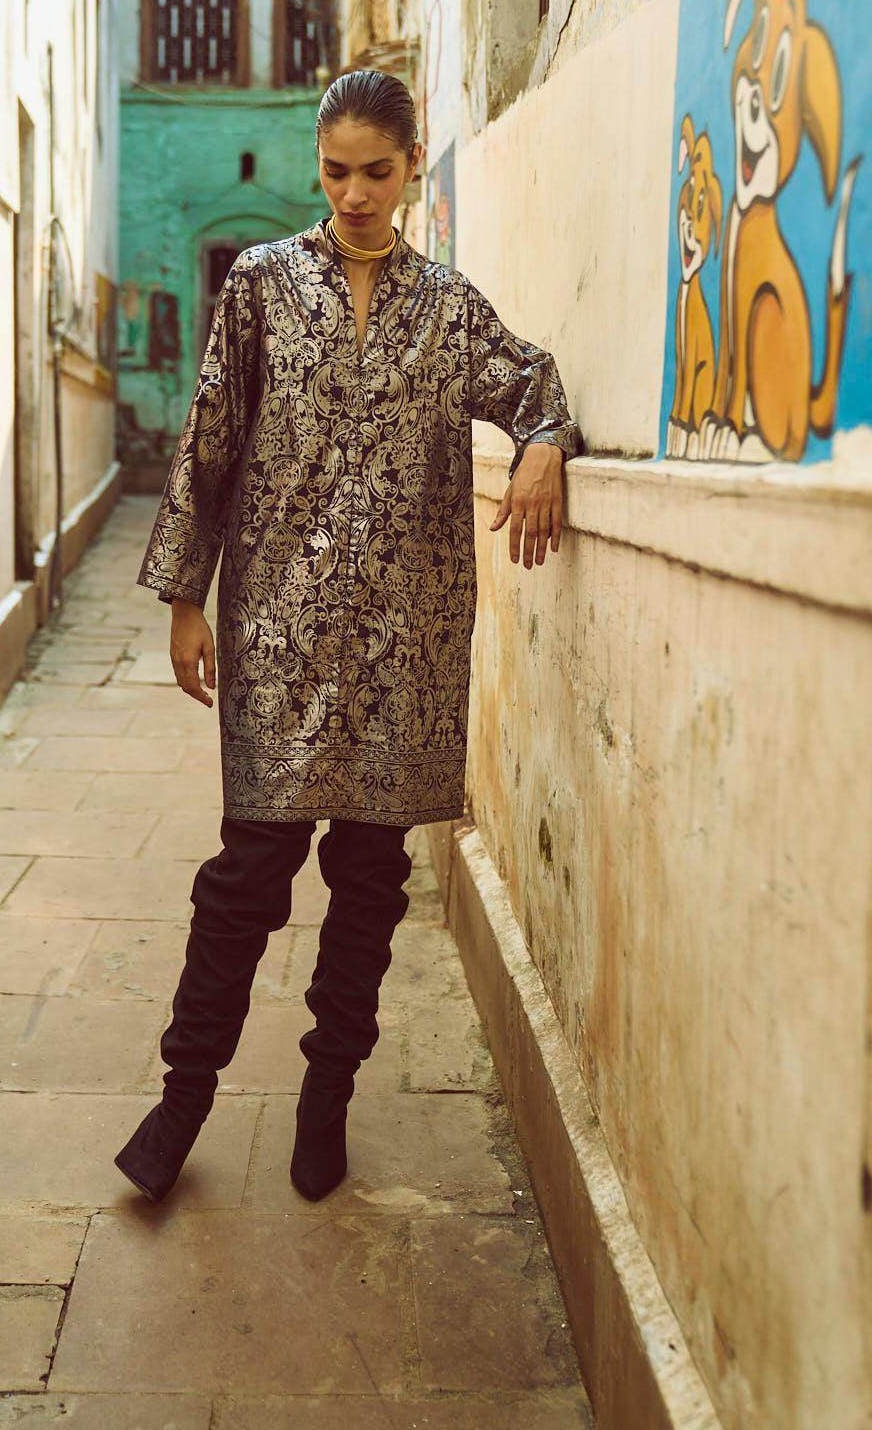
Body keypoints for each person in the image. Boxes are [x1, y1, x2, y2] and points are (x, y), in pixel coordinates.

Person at [114, 69, 584, 1204]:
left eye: (377, 171)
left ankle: (326, 1100)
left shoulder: (450, 309)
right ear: (315, 167)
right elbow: (211, 435)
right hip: (277, 627)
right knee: (246, 875)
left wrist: (543, 446)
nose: (356, 194)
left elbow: (536, 385)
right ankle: (182, 1101)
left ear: (412, 165)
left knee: (369, 884)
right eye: (335, 172)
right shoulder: (261, 285)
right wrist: (185, 596)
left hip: (405, 645)